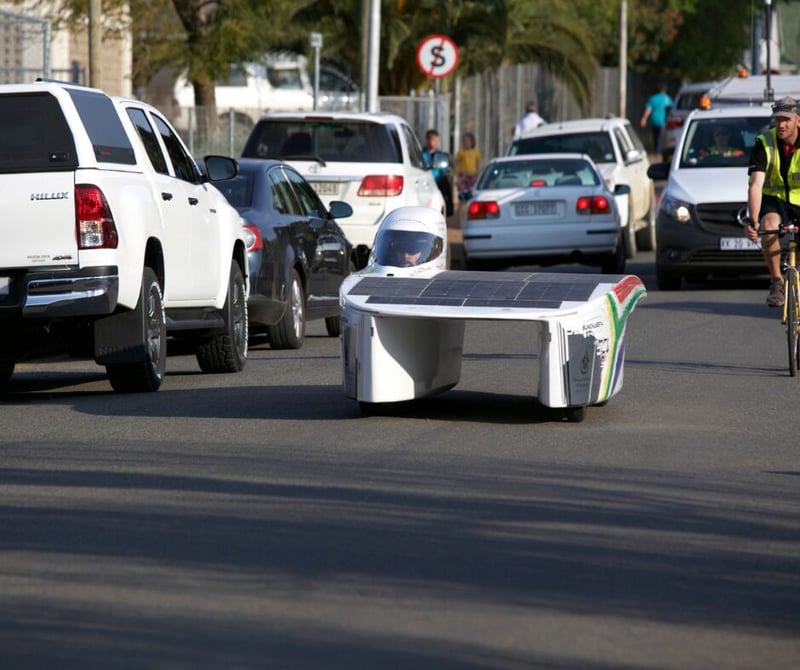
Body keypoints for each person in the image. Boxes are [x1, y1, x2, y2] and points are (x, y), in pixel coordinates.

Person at [744, 96, 800, 307]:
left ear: (798, 120)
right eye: (778, 120)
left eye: (786, 119)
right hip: (774, 200)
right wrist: (752, 220)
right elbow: (756, 185)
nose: (781, 124)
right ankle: (777, 280)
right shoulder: (764, 142)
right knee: (768, 227)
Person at [422, 129, 454, 217]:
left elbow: (447, 168)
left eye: (436, 140)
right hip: (425, 182)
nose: (434, 143)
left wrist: (446, 173)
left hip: (438, 181)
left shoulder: (442, 155)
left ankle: (448, 209)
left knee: (446, 185)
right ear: (427, 140)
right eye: (432, 140)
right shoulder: (420, 154)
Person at [639, 82, 673, 158]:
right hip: (662, 121)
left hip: (654, 120)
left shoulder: (653, 98)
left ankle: (656, 151)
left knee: (655, 136)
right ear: (665, 90)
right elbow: (671, 109)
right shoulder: (667, 98)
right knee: (660, 137)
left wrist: (644, 118)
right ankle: (658, 152)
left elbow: (648, 109)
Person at [455, 132, 481, 205]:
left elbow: (478, 165)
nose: (465, 143)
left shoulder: (476, 152)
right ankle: (460, 215)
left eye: (467, 141)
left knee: (472, 196)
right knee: (462, 197)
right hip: (463, 176)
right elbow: (457, 164)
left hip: (473, 176)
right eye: (464, 141)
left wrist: (478, 175)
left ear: (472, 142)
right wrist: (457, 176)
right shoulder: (461, 152)